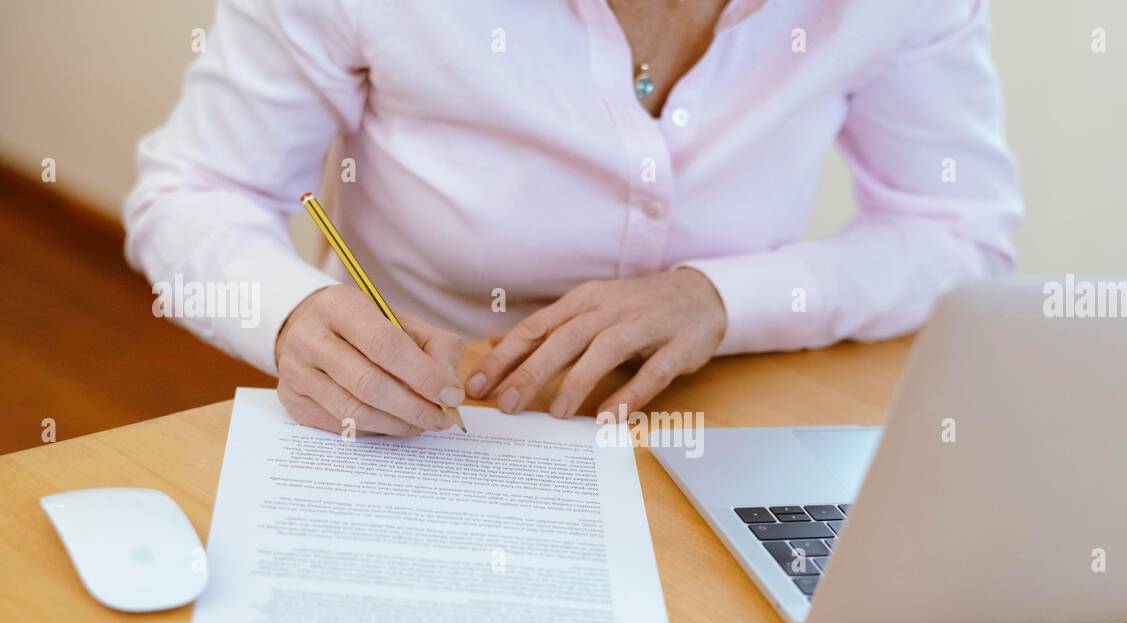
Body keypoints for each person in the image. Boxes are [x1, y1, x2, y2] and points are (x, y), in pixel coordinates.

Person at [125, 0, 1021, 436]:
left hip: (726, 420)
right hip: (431, 426)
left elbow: (959, 230)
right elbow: (197, 188)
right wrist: (292, 315)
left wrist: (720, 298)